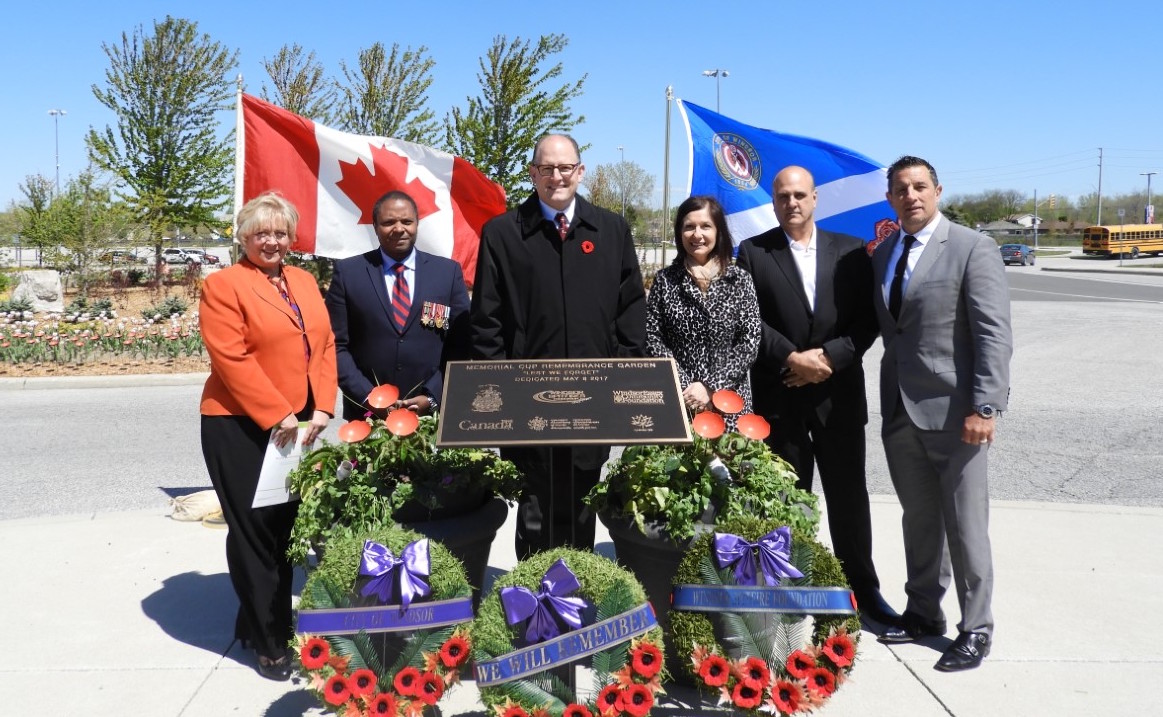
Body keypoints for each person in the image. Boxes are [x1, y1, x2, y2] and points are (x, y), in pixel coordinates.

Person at [471, 133, 646, 558]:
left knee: (584, 502)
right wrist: (499, 398)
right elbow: (487, 322)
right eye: (546, 168)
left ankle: (579, 594)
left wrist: (619, 380)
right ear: (532, 174)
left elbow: (630, 311)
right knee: (534, 506)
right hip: (527, 403)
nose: (556, 177)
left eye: (565, 167)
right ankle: (534, 605)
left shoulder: (611, 229)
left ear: (580, 172)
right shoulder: (502, 234)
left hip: (594, 399)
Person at [735, 166, 897, 626]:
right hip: (781, 396)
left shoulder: (849, 252)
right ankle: (787, 591)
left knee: (849, 497)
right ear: (774, 200)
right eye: (783, 196)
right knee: (788, 499)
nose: (792, 203)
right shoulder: (754, 252)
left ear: (816, 198)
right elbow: (750, 322)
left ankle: (863, 590)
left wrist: (827, 358)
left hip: (838, 395)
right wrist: (793, 359)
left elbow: (867, 321)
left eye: (800, 195)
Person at [872, 156, 1012, 673]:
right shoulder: (884, 251)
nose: (911, 195)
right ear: (890, 198)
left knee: (967, 525)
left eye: (920, 187)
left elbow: (994, 333)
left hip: (959, 416)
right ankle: (923, 612)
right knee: (920, 519)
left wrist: (985, 406)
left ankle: (976, 628)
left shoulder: (974, 247)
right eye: (901, 189)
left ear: (938, 190)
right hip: (901, 413)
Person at [199, 192, 338, 681]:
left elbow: (322, 344)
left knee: (283, 527)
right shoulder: (223, 285)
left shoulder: (302, 280)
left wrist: (322, 405)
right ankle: (270, 640)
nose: (272, 241)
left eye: (280, 232)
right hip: (239, 424)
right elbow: (230, 358)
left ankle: (251, 616)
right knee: (256, 534)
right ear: (243, 237)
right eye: (261, 233)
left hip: (300, 422)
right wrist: (278, 412)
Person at [325, 190, 470, 420]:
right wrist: (368, 397)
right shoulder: (349, 273)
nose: (399, 228)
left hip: (432, 414)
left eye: (406, 221)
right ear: (374, 226)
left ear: (417, 224)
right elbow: (335, 346)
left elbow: (461, 345)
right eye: (389, 222)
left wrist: (433, 396)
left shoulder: (447, 273)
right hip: (367, 416)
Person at [646, 195, 760, 428]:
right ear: (680, 232)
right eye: (689, 227)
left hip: (730, 405)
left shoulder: (739, 280)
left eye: (705, 226)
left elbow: (749, 341)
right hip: (680, 403)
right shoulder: (665, 281)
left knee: (730, 464)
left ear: (718, 231)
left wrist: (710, 386)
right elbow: (652, 338)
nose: (697, 234)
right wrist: (687, 387)